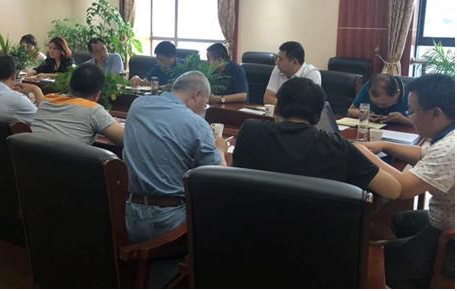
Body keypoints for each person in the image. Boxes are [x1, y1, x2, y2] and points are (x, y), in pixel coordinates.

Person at [356, 74, 454, 288]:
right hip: (442, 218)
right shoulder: (448, 135)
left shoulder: (449, 149)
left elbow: (401, 189)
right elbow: (422, 153)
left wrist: (364, 153)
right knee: (399, 221)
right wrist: (385, 146)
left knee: (380, 260)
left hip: (448, 235)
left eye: (413, 111)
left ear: (436, 113)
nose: (410, 116)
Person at [233, 78, 401, 199]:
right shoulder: (338, 147)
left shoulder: (250, 131)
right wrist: (361, 151)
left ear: (277, 107)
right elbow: (393, 190)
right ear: (319, 115)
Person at [124, 71, 228, 243]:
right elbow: (218, 176)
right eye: (205, 104)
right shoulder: (197, 124)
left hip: (130, 218)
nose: (204, 109)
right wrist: (221, 149)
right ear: (196, 95)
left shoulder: (137, 105)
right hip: (169, 224)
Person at [32, 63, 124, 146]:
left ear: (69, 85)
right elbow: (125, 139)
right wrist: (111, 122)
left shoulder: (47, 100)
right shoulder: (93, 110)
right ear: (97, 95)